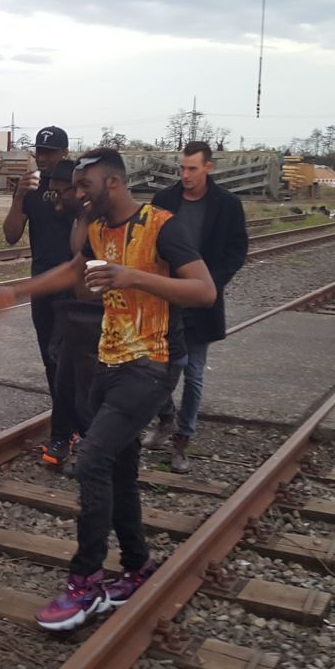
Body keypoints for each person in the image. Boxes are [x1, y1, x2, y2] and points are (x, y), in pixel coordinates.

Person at [0, 149, 216, 631]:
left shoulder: (162, 226)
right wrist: (17, 292)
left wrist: (133, 277)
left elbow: (205, 291)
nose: (77, 193)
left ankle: (86, 581)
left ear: (112, 183)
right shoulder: (98, 229)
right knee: (118, 468)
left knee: (91, 459)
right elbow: (74, 272)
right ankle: (137, 567)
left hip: (151, 365)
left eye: (84, 185)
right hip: (108, 361)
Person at [141, 141, 249, 472]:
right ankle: (166, 419)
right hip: (166, 296)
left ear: (208, 168)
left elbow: (236, 250)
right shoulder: (164, 200)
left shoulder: (227, 205)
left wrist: (209, 284)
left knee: (194, 372)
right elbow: (149, 244)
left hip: (202, 300)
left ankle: (182, 439)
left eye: (192, 169)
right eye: (182, 168)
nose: (185, 175)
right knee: (155, 367)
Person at [0, 126, 76, 463]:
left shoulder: (76, 187)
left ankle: (63, 434)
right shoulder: (31, 188)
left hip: (75, 286)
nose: (43, 158)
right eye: (39, 152)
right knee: (50, 358)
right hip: (41, 283)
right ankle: (68, 427)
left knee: (67, 360)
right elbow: (11, 235)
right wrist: (18, 197)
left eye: (50, 152)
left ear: (64, 153)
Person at [45, 159, 103, 470]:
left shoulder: (99, 220)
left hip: (102, 316)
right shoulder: (78, 217)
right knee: (65, 378)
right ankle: (65, 438)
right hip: (75, 312)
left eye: (60, 193)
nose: (56, 201)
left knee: (90, 386)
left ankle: (92, 447)